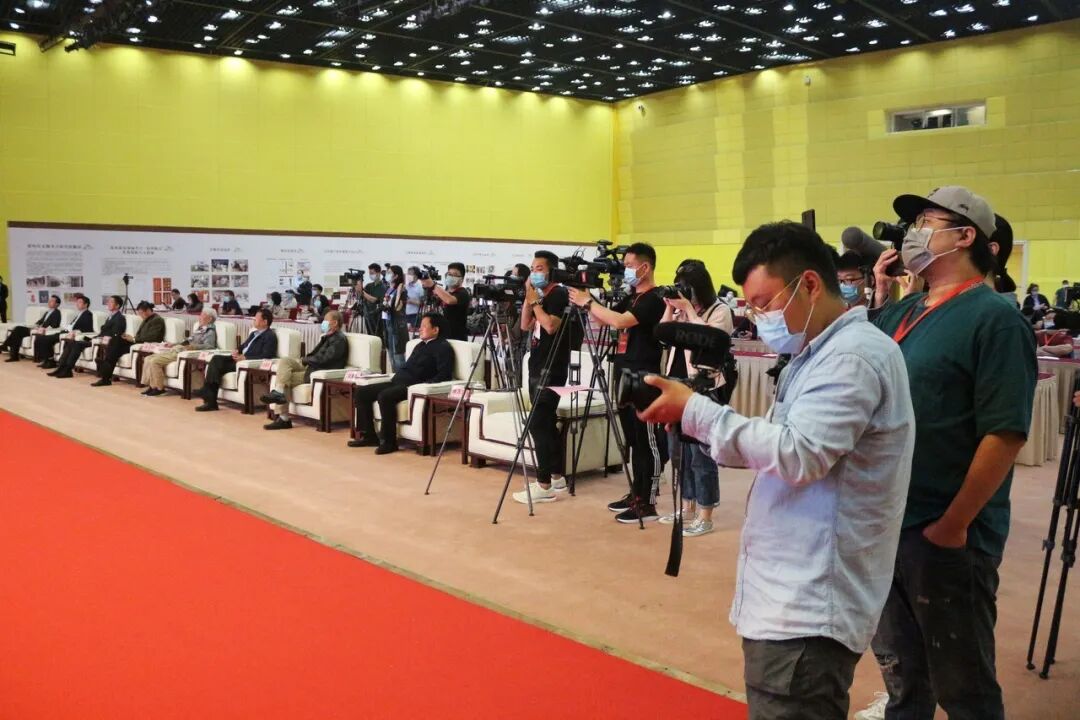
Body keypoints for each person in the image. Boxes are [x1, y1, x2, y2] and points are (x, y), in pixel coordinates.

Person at [638, 221, 915, 719]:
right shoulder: (815, 354)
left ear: (809, 284)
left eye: (764, 303)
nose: (759, 317)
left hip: (809, 605)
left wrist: (697, 412)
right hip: (790, 591)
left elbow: (798, 454)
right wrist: (697, 420)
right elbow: (779, 440)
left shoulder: (853, 357)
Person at [862, 186, 1037, 720]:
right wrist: (879, 294)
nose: (913, 233)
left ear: (964, 236)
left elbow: (1004, 434)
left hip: (945, 535)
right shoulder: (904, 310)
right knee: (903, 675)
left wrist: (953, 525)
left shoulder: (994, 318)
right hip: (888, 521)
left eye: (925, 222)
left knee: (964, 686)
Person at [569, 242, 668, 523]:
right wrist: (586, 297)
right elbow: (604, 320)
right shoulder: (632, 297)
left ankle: (648, 502)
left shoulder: (654, 298)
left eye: (629, 266)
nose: (625, 271)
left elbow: (621, 322)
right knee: (633, 440)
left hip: (644, 376)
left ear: (645, 267)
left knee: (646, 441)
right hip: (623, 372)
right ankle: (636, 493)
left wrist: (589, 302)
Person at [656, 260, 734, 536]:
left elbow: (711, 338)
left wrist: (689, 309)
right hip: (676, 385)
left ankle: (705, 514)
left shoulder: (720, 310)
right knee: (678, 452)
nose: (682, 292)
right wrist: (670, 307)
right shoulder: (680, 311)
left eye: (686, 287)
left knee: (701, 455)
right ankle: (687, 506)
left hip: (704, 388)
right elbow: (662, 335)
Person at [512, 251, 573, 504]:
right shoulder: (540, 295)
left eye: (539, 268)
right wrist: (529, 298)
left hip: (552, 367)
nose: (534, 273)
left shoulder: (558, 293)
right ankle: (557, 477)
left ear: (551, 271)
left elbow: (550, 326)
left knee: (537, 424)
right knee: (545, 423)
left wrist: (535, 301)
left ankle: (544, 484)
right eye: (532, 268)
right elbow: (525, 326)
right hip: (537, 365)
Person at [348, 313, 453, 454]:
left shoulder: (443, 347)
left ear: (435, 330)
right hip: (397, 381)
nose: (420, 329)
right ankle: (369, 436)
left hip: (413, 386)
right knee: (362, 392)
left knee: (385, 396)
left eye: (424, 326)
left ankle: (389, 442)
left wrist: (425, 385)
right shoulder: (420, 345)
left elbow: (444, 374)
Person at [262, 310, 349, 430]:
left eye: (325, 320)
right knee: (285, 361)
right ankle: (279, 392)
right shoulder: (327, 336)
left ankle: (283, 418)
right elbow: (315, 355)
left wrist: (306, 360)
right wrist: (305, 359)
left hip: (317, 370)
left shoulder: (339, 339)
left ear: (334, 323)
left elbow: (325, 359)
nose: (323, 323)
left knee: (285, 378)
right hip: (311, 366)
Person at [195, 308, 278, 412]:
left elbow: (267, 355)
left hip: (246, 363)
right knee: (216, 359)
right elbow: (243, 346)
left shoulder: (270, 336)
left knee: (217, 365)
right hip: (239, 359)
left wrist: (246, 358)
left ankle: (209, 398)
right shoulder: (254, 333)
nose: (254, 320)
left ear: (265, 322)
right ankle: (209, 397)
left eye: (256, 318)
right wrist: (237, 350)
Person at [141, 309, 217, 397]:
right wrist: (174, 344)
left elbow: (209, 346)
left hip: (182, 352)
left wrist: (194, 347)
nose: (199, 317)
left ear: (210, 319)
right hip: (178, 348)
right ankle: (152, 386)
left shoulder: (210, 331)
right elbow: (187, 341)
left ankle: (159, 388)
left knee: (154, 361)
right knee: (148, 358)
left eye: (202, 315)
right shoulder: (200, 328)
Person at [49, 295, 127, 379]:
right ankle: (61, 367)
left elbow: (116, 333)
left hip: (103, 341)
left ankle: (68, 370)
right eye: (108, 302)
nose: (108, 303)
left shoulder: (119, 318)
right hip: (97, 338)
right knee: (72, 343)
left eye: (111, 302)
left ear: (117, 305)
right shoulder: (111, 316)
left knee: (77, 344)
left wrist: (101, 338)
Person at [92, 301, 166, 387]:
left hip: (145, 344)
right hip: (137, 341)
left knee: (115, 350)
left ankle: (105, 369)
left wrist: (133, 339)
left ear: (148, 310)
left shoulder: (157, 320)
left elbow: (153, 337)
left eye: (141, 313)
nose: (140, 315)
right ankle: (106, 368)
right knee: (115, 341)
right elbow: (141, 335)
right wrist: (130, 337)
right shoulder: (147, 319)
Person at [36, 294, 93, 366]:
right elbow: (72, 325)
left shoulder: (88, 314)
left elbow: (87, 328)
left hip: (70, 334)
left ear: (85, 304)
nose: (77, 304)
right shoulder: (80, 314)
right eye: (77, 302)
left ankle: (50, 361)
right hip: (65, 332)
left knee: (45, 339)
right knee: (42, 338)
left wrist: (75, 332)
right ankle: (46, 359)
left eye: (79, 302)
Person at [1, 294, 61, 362]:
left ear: (57, 304)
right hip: (35, 329)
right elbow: (40, 321)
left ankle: (5, 346)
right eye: (49, 300)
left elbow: (54, 325)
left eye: (52, 301)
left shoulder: (57, 313)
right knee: (17, 331)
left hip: (40, 331)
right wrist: (36, 325)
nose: (49, 301)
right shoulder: (48, 312)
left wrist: (41, 328)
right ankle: (13, 355)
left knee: (18, 329)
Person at [422, 262, 471, 342]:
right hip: (444, 336)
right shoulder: (446, 292)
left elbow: (449, 300)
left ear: (461, 279)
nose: (451, 277)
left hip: (457, 338)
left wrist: (433, 286)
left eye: (455, 275)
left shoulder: (463, 293)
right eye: (449, 274)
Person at [381, 265, 409, 371]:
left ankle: (401, 377)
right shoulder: (389, 289)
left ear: (396, 276)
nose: (387, 275)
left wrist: (398, 292)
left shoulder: (401, 290)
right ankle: (394, 375)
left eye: (389, 273)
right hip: (388, 323)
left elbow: (398, 308)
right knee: (391, 355)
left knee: (398, 356)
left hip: (397, 325)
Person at [361, 263, 386, 335]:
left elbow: (374, 300)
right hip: (368, 314)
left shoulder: (383, 287)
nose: (371, 275)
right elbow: (361, 296)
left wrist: (362, 292)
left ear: (378, 273)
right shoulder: (369, 286)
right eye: (370, 273)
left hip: (378, 317)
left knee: (378, 335)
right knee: (370, 335)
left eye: (372, 273)